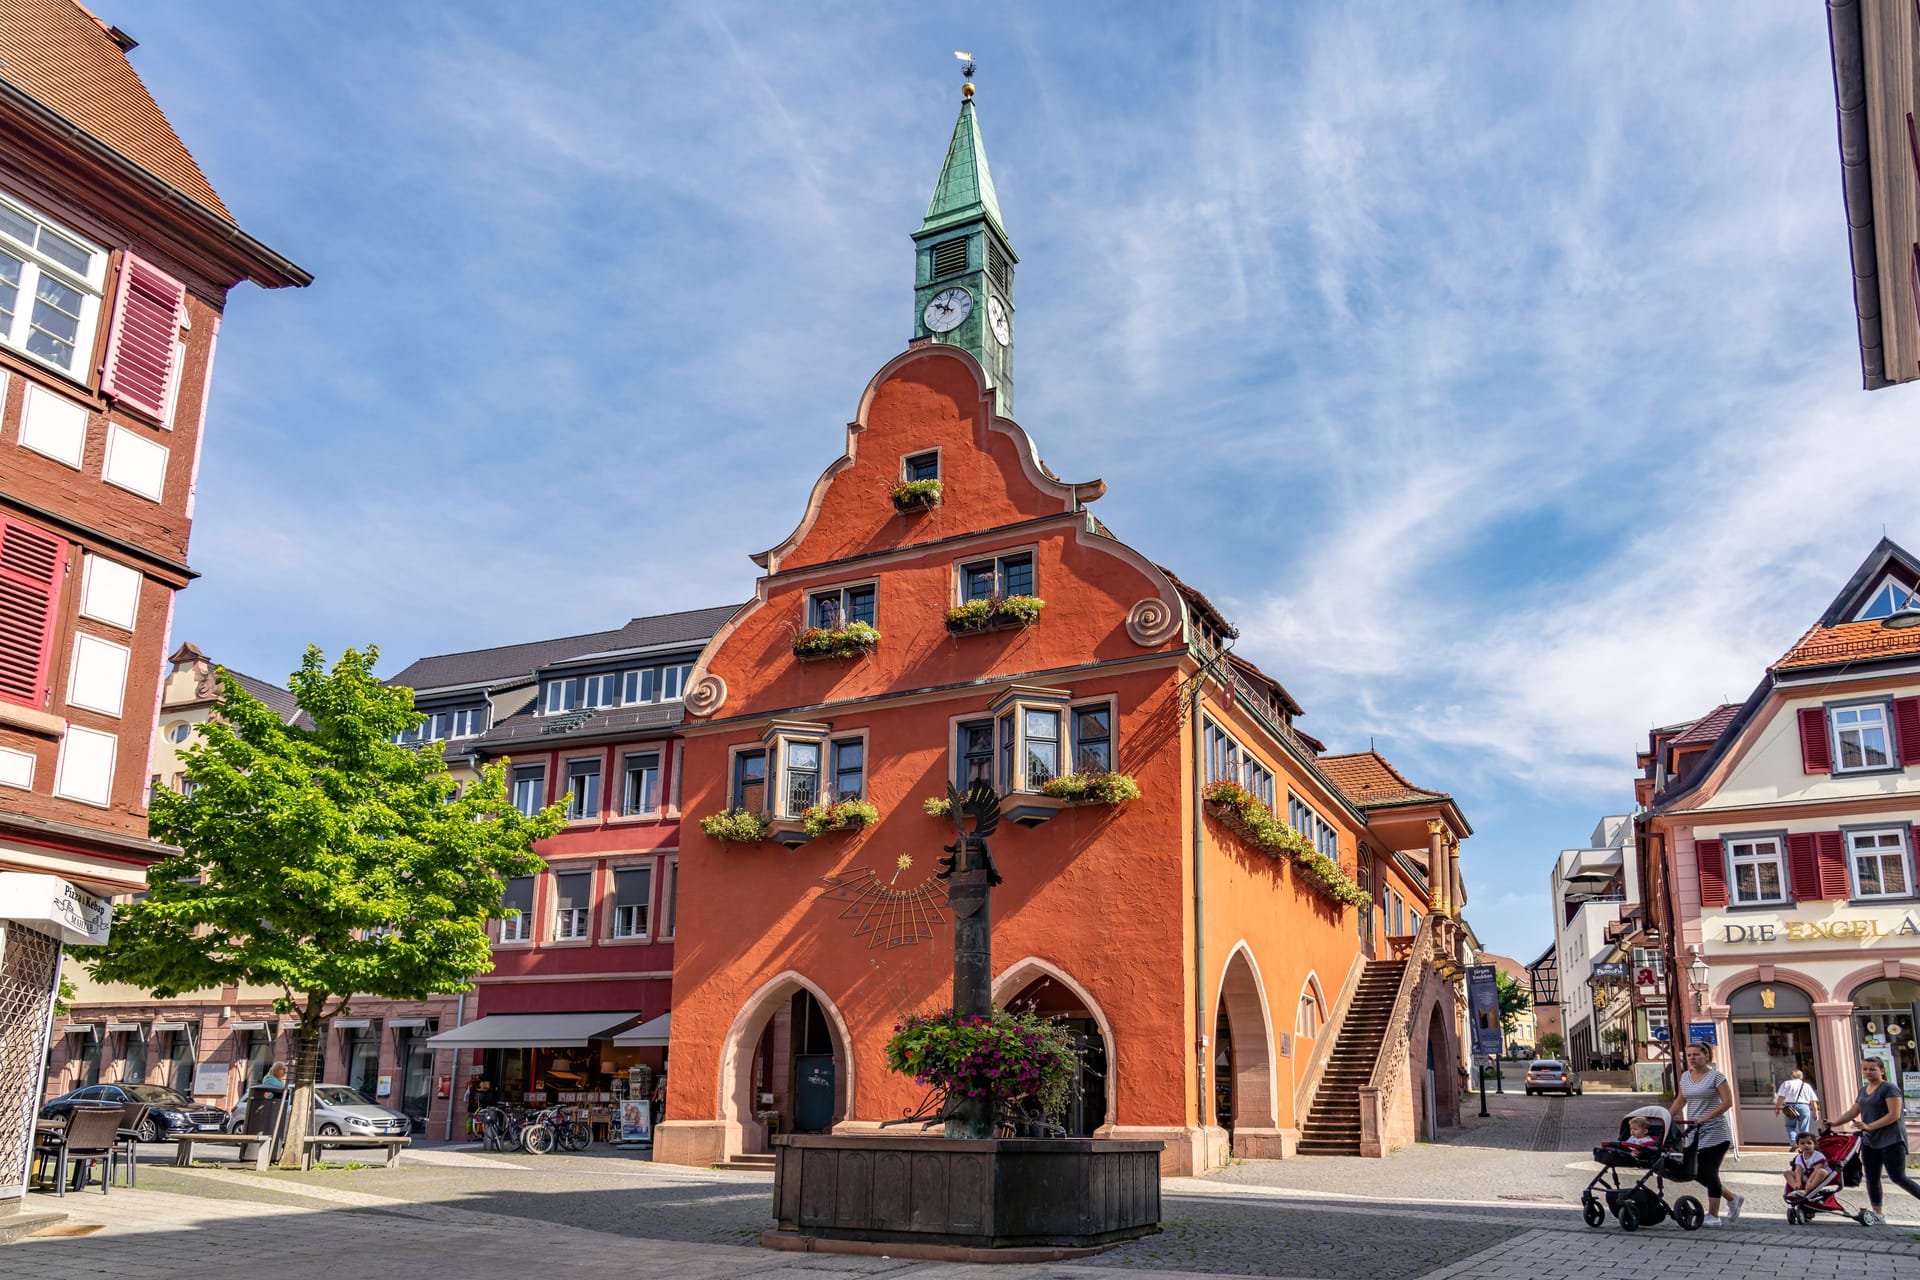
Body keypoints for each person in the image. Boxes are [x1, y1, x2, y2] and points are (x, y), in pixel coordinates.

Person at [1829, 1055, 1920, 1224]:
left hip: (1892, 1140)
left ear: (1882, 1070)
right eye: (1865, 1069)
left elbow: (1894, 1115)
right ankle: (1878, 1213)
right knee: (1871, 1176)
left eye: (1873, 1069)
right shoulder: (1863, 1090)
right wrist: (1834, 1123)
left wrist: (1870, 1126)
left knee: (1898, 1177)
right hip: (1870, 1141)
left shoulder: (1889, 1088)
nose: (1868, 1072)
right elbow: (1852, 1112)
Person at [1678, 1041, 1744, 1226]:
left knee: (1709, 1171)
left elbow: (1727, 1102)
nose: (1692, 1058)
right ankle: (1732, 1198)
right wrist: (1664, 1117)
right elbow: (1680, 1100)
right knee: (1694, 1171)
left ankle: (1713, 1216)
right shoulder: (1685, 1077)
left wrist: (1706, 1117)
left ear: (1706, 1056)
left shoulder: (1716, 1077)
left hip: (1715, 1131)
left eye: (1696, 1054)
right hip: (1694, 1132)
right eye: (1689, 1055)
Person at [1774, 1069, 1820, 1143]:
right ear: (1801, 1076)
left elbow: (1781, 1097)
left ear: (1792, 1076)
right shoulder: (1806, 1086)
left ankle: (1793, 1141)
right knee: (1804, 1127)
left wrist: (1777, 1108)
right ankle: (1804, 1144)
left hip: (1790, 1106)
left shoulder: (1786, 1084)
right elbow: (1813, 1100)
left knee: (1790, 1126)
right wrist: (1815, 1112)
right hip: (1804, 1106)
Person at [1783, 1131, 1830, 1196]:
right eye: (1802, 1143)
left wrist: (1809, 1182)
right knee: (1787, 1173)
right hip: (1805, 1175)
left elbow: (1817, 1170)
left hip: (1817, 1176)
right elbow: (1798, 1170)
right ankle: (1797, 1188)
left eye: (1809, 1143)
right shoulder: (1799, 1157)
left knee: (1822, 1171)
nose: (1806, 1145)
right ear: (1798, 1145)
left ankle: (1807, 1191)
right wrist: (1798, 1181)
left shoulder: (1819, 1156)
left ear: (1815, 1144)